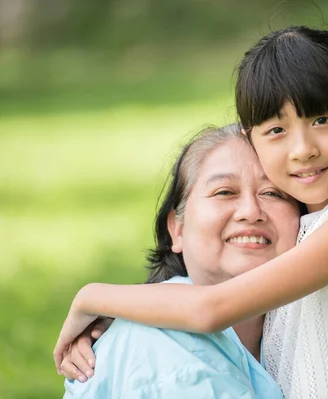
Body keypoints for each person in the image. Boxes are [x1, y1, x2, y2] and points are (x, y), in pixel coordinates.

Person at [55, 26, 328, 398]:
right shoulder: (304, 231)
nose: (303, 149)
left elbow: (209, 310)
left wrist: (93, 297)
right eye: (277, 130)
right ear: (253, 139)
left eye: (322, 119)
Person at [62, 124, 300, 398]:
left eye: (273, 193)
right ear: (177, 228)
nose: (250, 211)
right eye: (224, 192)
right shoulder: (169, 349)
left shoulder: (292, 334)